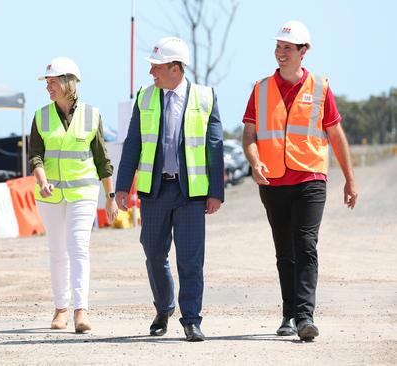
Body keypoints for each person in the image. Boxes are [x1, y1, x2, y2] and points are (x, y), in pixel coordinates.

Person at [242, 20, 358, 342]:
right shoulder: (261, 88)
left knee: (306, 244)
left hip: (310, 177)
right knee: (285, 251)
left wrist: (349, 179)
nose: (280, 53)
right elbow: (250, 133)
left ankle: (305, 316)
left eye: (287, 48)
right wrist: (254, 161)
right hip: (273, 181)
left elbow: (335, 134)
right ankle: (288, 314)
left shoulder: (320, 88)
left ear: (304, 52)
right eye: (278, 47)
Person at [115, 37, 224, 342]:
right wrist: (123, 186)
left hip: (190, 194)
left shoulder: (205, 97)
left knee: (191, 259)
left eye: (156, 66)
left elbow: (215, 147)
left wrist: (216, 191)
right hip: (155, 190)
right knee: (153, 253)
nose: (151, 72)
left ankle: (191, 319)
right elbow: (133, 143)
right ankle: (164, 307)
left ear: (175, 68)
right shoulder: (145, 96)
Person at [30, 57, 118, 333]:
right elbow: (35, 155)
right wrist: (42, 181)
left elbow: (103, 160)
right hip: (51, 194)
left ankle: (81, 310)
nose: (49, 88)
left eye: (53, 82)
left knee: (78, 247)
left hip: (83, 191)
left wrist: (111, 197)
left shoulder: (92, 115)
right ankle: (61, 309)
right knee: (57, 251)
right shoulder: (41, 116)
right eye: (47, 83)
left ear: (69, 82)